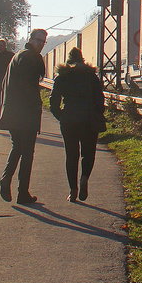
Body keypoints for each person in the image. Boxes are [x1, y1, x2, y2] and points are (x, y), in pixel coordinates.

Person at [0, 29, 47, 204]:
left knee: (17, 147)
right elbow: (29, 86)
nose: (41, 44)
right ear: (31, 39)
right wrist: (35, 107)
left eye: (43, 42)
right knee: (27, 153)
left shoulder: (17, 56)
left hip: (13, 112)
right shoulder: (30, 58)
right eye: (39, 40)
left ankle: (6, 179)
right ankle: (22, 193)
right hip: (25, 113)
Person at [49, 47, 107, 203]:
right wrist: (97, 114)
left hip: (69, 120)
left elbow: (53, 102)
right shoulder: (91, 76)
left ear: (68, 61)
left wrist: (61, 116)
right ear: (82, 60)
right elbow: (100, 99)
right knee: (88, 154)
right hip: (89, 119)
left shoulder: (62, 77)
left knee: (71, 155)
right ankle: (84, 178)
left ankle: (73, 189)